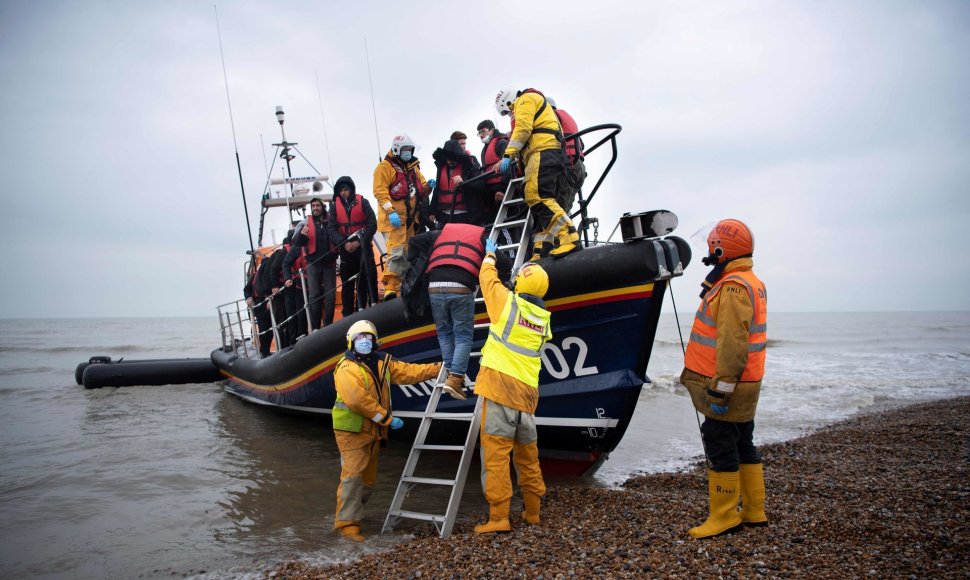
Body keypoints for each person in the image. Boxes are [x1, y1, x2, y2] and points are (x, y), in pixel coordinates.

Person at [679, 219, 768, 539]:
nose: (708, 251)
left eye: (712, 245)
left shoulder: (732, 288)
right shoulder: (750, 280)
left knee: (719, 441)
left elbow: (732, 343)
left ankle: (724, 515)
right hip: (749, 382)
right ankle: (755, 511)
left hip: (729, 384)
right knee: (743, 440)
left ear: (722, 249)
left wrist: (721, 389)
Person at [332, 320, 442, 542]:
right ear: (351, 342)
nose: (364, 341)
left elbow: (408, 372)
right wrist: (386, 419)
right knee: (352, 477)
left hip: (373, 430)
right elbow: (356, 400)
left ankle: (355, 515)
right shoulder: (346, 368)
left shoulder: (382, 362)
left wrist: (438, 368)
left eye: (368, 337)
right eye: (360, 338)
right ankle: (346, 524)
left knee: (368, 480)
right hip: (352, 430)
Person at [473, 249, 552, 534]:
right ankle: (532, 513)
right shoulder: (544, 320)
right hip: (527, 399)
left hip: (499, 393)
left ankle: (498, 518)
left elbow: (487, 280)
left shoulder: (507, 304)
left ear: (519, 283)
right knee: (528, 458)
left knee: (495, 457)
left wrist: (490, 257)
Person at [494, 87, 580, 260]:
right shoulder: (532, 100)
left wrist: (508, 154)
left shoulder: (525, 100)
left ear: (509, 102)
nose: (509, 115)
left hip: (542, 152)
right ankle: (543, 248)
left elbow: (523, 129)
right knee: (538, 202)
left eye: (506, 112)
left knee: (537, 196)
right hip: (545, 153)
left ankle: (568, 236)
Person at [425, 223, 489, 400]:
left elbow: (415, 241)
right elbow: (503, 262)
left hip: (434, 286)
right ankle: (455, 378)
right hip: (460, 288)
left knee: (444, 333)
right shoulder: (480, 236)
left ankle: (451, 376)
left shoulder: (440, 234)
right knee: (462, 336)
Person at [373, 134, 432, 301]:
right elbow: (380, 192)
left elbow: (421, 190)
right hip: (393, 220)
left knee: (407, 254)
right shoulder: (384, 168)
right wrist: (390, 212)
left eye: (410, 150)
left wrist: (430, 187)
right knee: (396, 252)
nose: (408, 153)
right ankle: (391, 288)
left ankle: (402, 287)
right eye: (406, 150)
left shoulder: (413, 168)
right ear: (397, 149)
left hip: (410, 221)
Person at [328, 176, 378, 316]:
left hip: (363, 247)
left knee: (368, 278)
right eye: (341, 191)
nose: (343, 192)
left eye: (346, 189)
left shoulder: (363, 202)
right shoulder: (334, 208)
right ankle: (348, 314)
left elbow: (372, 224)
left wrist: (358, 242)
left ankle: (368, 308)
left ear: (351, 189)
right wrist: (345, 243)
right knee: (347, 284)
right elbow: (331, 230)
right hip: (346, 250)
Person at [293, 197, 338, 329]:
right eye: (313, 206)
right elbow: (295, 241)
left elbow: (338, 235)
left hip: (329, 264)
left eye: (317, 205)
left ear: (322, 207)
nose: (315, 208)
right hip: (313, 264)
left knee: (331, 296)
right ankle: (315, 327)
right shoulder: (305, 222)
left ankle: (329, 325)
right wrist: (302, 234)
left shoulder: (331, 220)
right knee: (314, 297)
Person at [546, 97, 586, 217]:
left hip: (567, 167)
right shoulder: (566, 117)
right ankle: (570, 233)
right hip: (579, 167)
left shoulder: (551, 117)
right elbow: (581, 144)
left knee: (558, 214)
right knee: (565, 210)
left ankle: (564, 235)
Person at [431, 139, 485, 225]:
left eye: (454, 158)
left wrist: (465, 182)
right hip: (444, 216)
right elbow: (437, 190)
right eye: (448, 158)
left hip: (464, 215)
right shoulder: (441, 168)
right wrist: (432, 211)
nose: (450, 161)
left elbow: (481, 185)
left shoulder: (469, 167)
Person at [477, 119, 510, 227]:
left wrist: (502, 189)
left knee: (507, 223)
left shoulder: (502, 143)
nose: (481, 135)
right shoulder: (484, 149)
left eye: (483, 131)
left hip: (503, 189)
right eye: (479, 133)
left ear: (492, 130)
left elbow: (509, 164)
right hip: (491, 191)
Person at [280, 222, 309, 344]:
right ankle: (297, 338)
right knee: (299, 313)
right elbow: (284, 264)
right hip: (297, 285)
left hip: (315, 281)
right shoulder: (290, 251)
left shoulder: (316, 243)